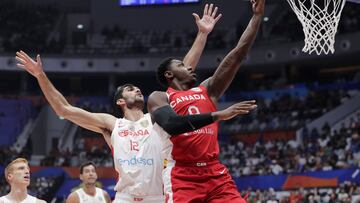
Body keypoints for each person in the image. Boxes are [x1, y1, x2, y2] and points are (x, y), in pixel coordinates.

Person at [15, 4, 255, 203]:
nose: (137, 89)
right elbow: (64, 110)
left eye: (138, 88)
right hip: (126, 197)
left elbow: (183, 72)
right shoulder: (112, 124)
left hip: (159, 196)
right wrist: (40, 76)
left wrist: (202, 35)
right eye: (130, 89)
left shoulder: (157, 116)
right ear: (120, 100)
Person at [147, 0, 265, 202]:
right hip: (182, 175)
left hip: (215, 173)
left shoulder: (207, 90)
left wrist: (256, 17)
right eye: (181, 65)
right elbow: (173, 125)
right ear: (169, 74)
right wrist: (220, 114)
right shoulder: (160, 97)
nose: (189, 67)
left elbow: (238, 54)